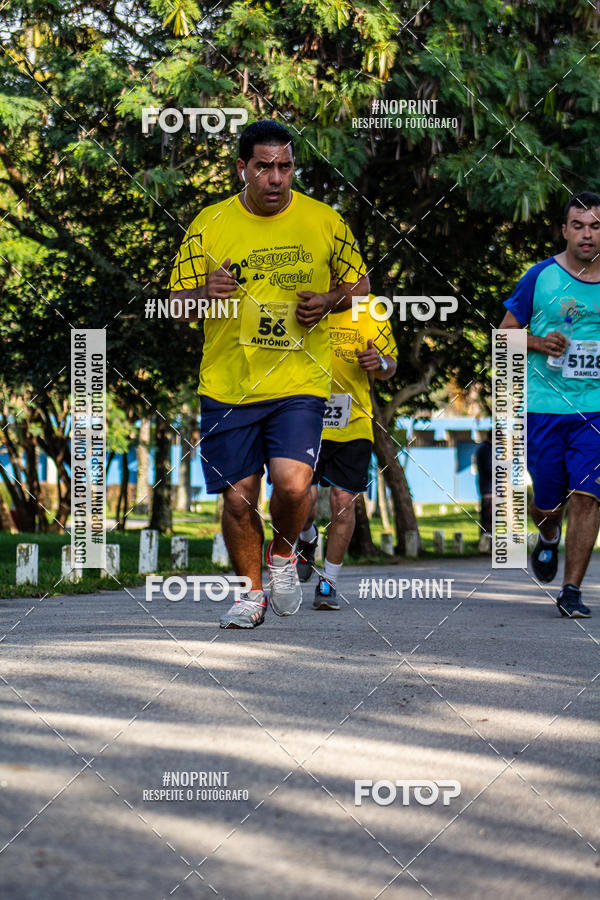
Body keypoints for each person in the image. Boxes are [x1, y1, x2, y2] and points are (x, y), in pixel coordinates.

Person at [169, 120, 370, 628]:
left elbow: (360, 286)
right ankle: (249, 594)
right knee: (239, 499)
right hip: (228, 384)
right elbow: (174, 307)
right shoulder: (209, 225)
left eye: (285, 166)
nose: (276, 177)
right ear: (243, 169)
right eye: (264, 167)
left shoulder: (325, 221)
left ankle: (283, 555)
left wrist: (328, 300)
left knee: (295, 483)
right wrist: (203, 294)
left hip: (299, 381)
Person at [499, 191, 600, 618]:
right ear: (564, 230)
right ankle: (548, 535)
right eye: (578, 226)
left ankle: (572, 589)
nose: (587, 234)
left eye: (596, 226)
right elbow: (503, 336)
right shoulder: (540, 277)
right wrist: (538, 342)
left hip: (594, 411)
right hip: (544, 407)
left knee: (587, 497)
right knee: (548, 502)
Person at [296, 296, 397, 607]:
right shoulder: (298, 298)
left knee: (343, 503)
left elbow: (390, 364)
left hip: (353, 422)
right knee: (302, 500)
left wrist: (378, 363)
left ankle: (328, 582)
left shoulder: (370, 309)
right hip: (302, 417)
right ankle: (307, 536)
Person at [475, 431, 492, 553]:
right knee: (488, 519)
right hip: (489, 490)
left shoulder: (486, 448)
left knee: (490, 519)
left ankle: (488, 544)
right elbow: (490, 469)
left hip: (489, 489)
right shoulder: (486, 450)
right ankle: (485, 545)